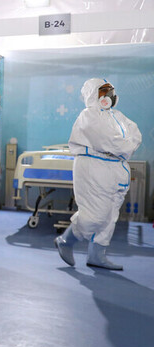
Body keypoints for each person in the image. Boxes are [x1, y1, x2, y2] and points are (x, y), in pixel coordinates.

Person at [55, 78, 141, 270]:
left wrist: (124, 146)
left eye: (110, 90)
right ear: (93, 94)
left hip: (117, 168)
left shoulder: (117, 115)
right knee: (95, 216)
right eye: (103, 91)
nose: (108, 95)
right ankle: (66, 240)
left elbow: (136, 135)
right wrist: (125, 145)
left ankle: (97, 255)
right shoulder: (89, 116)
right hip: (93, 167)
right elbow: (113, 143)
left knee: (110, 216)